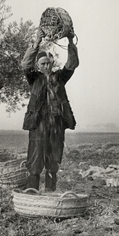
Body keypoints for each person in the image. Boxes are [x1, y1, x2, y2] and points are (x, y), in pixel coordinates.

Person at [21, 28, 79, 192]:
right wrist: (37, 42)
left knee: (53, 159)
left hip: (57, 124)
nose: (46, 66)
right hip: (38, 124)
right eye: (43, 64)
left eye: (49, 63)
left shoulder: (59, 77)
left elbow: (72, 64)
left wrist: (69, 42)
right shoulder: (34, 78)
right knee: (35, 157)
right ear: (38, 66)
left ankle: (50, 192)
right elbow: (25, 64)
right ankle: (32, 192)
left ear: (53, 63)